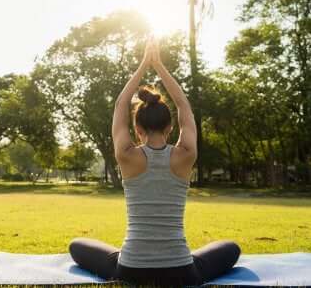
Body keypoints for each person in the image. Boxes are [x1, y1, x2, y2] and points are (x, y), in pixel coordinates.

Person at [68, 38, 241, 287]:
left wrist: (143, 65)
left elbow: (120, 106)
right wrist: (159, 66)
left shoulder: (127, 156)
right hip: (182, 271)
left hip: (130, 269)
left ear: (137, 128)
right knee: (231, 248)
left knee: (77, 245)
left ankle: (137, 256)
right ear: (170, 127)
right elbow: (184, 107)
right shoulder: (186, 154)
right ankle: (175, 256)